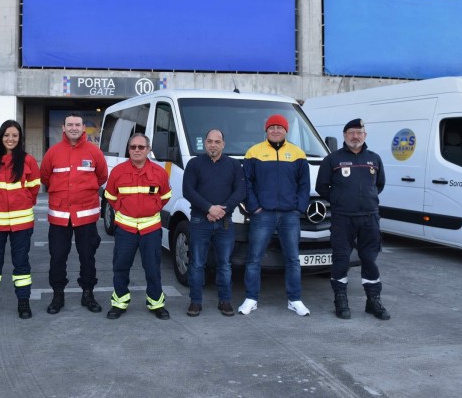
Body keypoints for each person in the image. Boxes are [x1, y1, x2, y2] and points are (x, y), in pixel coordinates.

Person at [316, 118, 390, 320]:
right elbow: (321, 187)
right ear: (344, 136)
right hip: (343, 218)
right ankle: (340, 299)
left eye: (359, 132)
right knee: (341, 260)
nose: (355, 136)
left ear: (365, 135)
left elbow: (379, 184)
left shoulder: (374, 158)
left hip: (369, 218)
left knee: (369, 260)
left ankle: (373, 301)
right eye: (351, 133)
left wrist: (367, 200)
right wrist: (340, 200)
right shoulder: (333, 160)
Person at [239, 114, 311, 317]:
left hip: (290, 215)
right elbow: (247, 183)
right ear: (266, 130)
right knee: (254, 258)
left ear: (286, 130)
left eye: (280, 127)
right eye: (272, 127)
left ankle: (295, 299)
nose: (276, 130)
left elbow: (304, 185)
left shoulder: (297, 154)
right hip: (263, 214)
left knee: (293, 259)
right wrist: (254, 207)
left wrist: (299, 208)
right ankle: (251, 298)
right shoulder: (254, 152)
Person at [40, 112, 108, 314]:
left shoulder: (94, 153)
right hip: (60, 217)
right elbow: (45, 177)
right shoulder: (52, 153)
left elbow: (102, 176)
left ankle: (88, 294)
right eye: (69, 124)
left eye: (77, 124)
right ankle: (57, 295)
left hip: (86, 216)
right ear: (63, 128)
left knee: (87, 256)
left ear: (83, 128)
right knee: (58, 257)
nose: (73, 128)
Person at [0, 120, 40, 320]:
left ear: (20, 138)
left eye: (14, 135)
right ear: (0, 137)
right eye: (6, 135)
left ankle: (23, 301)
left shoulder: (28, 161)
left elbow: (34, 188)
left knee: (21, 263)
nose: (10, 139)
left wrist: (25, 200)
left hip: (21, 222)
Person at [104, 133, 172, 320]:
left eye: (141, 147)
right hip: (125, 228)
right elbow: (110, 195)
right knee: (121, 266)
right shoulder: (118, 171)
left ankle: (156, 303)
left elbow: (166, 196)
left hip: (150, 228)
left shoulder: (159, 173)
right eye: (133, 147)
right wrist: (122, 209)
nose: (136, 150)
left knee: (152, 268)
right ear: (129, 149)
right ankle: (119, 303)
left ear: (148, 149)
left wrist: (153, 208)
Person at [182, 129, 246, 317]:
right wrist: (209, 208)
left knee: (224, 264)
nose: (213, 145)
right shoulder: (194, 164)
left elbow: (240, 191)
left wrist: (222, 210)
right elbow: (188, 191)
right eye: (209, 141)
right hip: (199, 221)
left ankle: (225, 301)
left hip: (225, 222)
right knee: (197, 264)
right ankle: (195, 302)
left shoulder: (234, 165)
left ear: (223, 144)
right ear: (204, 143)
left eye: (217, 142)